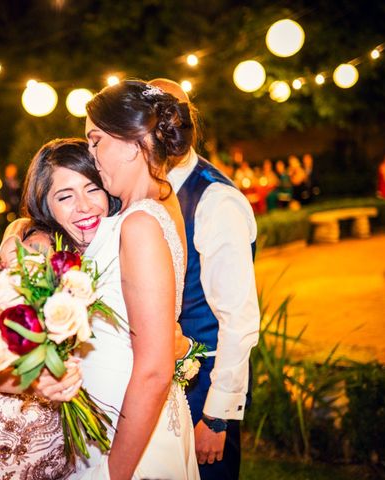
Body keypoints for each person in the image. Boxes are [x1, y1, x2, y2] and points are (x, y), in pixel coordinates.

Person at [0, 139, 119, 480]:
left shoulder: (113, 247)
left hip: (69, 453)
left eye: (93, 188)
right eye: (65, 196)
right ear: (45, 204)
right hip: (11, 446)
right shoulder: (35, 256)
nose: (85, 206)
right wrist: (33, 383)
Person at [75, 80, 199, 479]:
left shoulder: (141, 224)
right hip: (126, 410)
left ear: (131, 144)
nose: (90, 155)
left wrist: (114, 472)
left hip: (130, 430)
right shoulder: (160, 202)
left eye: (95, 140)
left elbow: (154, 368)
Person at [150, 77, 260, 480]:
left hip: (203, 391)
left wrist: (217, 416)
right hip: (159, 384)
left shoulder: (216, 199)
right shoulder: (148, 191)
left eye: (173, 117)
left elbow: (239, 318)